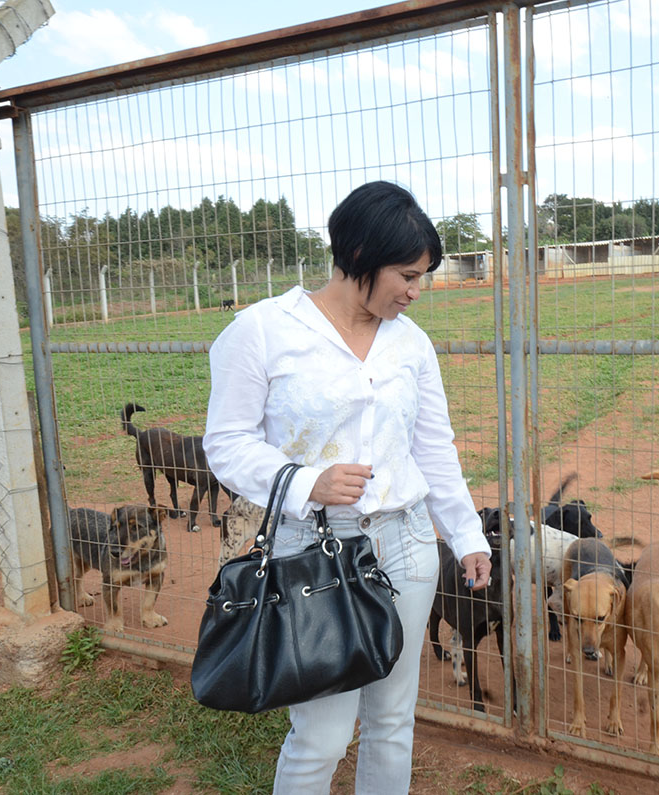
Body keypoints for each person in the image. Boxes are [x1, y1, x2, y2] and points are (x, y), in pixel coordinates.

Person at [204, 180, 492, 794]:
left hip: (408, 544)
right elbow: (225, 442)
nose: (417, 291)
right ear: (359, 254)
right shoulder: (262, 331)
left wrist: (466, 534)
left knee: (392, 720)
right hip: (312, 551)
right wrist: (308, 482)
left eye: (423, 277)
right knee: (322, 735)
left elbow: (433, 447)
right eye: (408, 276)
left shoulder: (411, 344)